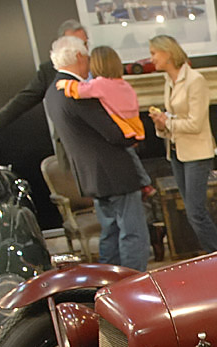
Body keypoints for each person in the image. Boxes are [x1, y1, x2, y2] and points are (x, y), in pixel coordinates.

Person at [44, 35, 150, 271]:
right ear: (80, 57)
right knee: (133, 235)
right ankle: (134, 284)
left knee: (110, 233)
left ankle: (107, 283)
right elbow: (114, 134)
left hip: (92, 176)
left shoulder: (53, 92)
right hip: (116, 174)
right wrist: (133, 136)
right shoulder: (77, 94)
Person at [147, 34, 217, 253]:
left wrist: (168, 122)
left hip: (197, 154)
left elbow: (196, 123)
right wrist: (161, 124)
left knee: (196, 213)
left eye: (154, 53)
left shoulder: (195, 80)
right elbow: (174, 119)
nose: (151, 58)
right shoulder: (168, 82)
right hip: (176, 153)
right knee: (194, 212)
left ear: (168, 53)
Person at [56, 45, 154, 194]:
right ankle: (145, 182)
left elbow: (81, 91)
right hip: (134, 124)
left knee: (129, 156)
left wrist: (66, 84)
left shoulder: (100, 84)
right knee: (131, 155)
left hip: (121, 127)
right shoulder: (124, 84)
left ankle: (144, 183)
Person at [0, 20, 88, 145]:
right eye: (75, 45)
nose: (82, 50)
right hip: (69, 143)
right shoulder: (49, 71)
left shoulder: (99, 65)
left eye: (84, 43)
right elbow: (24, 99)